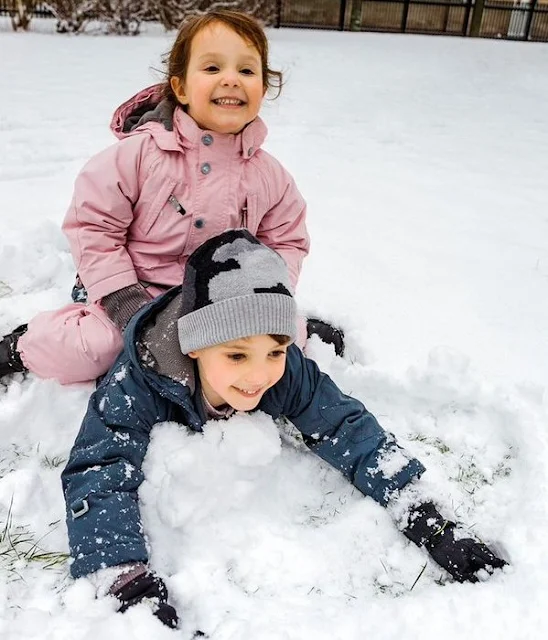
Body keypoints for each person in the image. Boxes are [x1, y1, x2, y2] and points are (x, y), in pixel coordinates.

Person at [61, 229, 506, 630]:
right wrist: (124, 578)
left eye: (274, 352)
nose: (259, 375)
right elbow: (100, 467)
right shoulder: (141, 378)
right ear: (195, 347)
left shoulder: (285, 371)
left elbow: (346, 428)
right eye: (237, 356)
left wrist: (424, 515)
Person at [0, 9, 343, 385]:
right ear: (180, 88)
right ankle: (24, 346)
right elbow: (93, 225)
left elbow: (286, 239)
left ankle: (306, 332)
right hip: (137, 288)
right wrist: (121, 297)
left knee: (274, 350)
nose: (231, 79)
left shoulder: (269, 176)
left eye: (246, 71)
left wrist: (267, 292)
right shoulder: (139, 155)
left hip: (222, 298)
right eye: (212, 69)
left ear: (263, 88)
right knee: (98, 347)